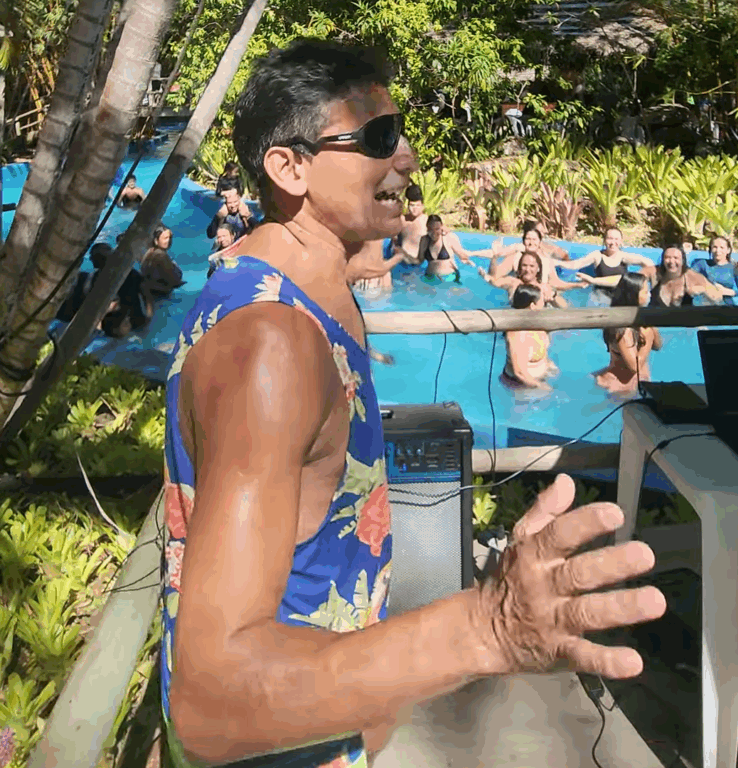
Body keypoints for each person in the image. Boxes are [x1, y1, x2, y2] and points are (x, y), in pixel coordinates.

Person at [161, 39, 664, 768]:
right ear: (289, 167)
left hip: (318, 724)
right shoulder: (272, 346)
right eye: (377, 139)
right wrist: (488, 628)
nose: (409, 157)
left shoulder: (308, 283)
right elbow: (212, 700)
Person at [594, 273, 661, 394]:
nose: (650, 295)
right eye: (645, 292)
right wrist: (648, 335)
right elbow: (634, 367)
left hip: (634, 385)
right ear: (633, 295)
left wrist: (650, 325)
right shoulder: (623, 329)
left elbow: (658, 346)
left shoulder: (641, 321)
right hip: (621, 387)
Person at [553, 227, 656, 298]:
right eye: (610, 238)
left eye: (616, 239)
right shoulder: (597, 256)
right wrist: (556, 262)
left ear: (621, 242)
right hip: (601, 295)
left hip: (620, 295)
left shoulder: (623, 257)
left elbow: (648, 263)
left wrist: (642, 282)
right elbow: (576, 264)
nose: (613, 242)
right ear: (604, 240)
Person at [482, 231, 586, 300]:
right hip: (518, 298)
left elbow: (556, 282)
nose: (531, 242)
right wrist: (494, 257)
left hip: (540, 299)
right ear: (523, 242)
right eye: (528, 239)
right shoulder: (514, 258)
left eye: (534, 239)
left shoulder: (546, 261)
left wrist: (576, 285)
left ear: (540, 242)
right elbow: (495, 276)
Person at [501, 283, 557, 389]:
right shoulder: (518, 334)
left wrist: (550, 366)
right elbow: (520, 373)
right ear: (532, 306)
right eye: (542, 302)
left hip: (539, 380)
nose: (544, 305)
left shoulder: (539, 325)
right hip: (522, 387)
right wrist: (543, 387)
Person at [643, 245, 723, 307]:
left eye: (676, 258)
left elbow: (718, 298)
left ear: (682, 260)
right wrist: (640, 261)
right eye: (667, 258)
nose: (671, 261)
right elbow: (632, 281)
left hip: (684, 324)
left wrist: (703, 291)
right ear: (663, 260)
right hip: (656, 324)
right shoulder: (654, 272)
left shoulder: (692, 276)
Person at [416, 214, 478, 282]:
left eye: (437, 229)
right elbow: (419, 260)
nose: (434, 233)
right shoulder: (424, 240)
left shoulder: (449, 238)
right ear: (427, 228)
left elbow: (461, 255)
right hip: (429, 278)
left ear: (441, 227)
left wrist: (466, 260)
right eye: (430, 229)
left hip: (449, 278)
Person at [689, 236, 738, 305]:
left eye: (722, 247)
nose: (718, 251)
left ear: (728, 250)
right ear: (710, 249)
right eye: (715, 247)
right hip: (706, 303)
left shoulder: (735, 267)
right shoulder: (702, 264)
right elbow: (688, 280)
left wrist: (725, 291)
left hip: (727, 304)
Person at [141, 225, 184, 298]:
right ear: (156, 240)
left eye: (170, 238)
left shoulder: (150, 251)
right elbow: (172, 278)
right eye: (165, 238)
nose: (168, 241)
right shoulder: (161, 256)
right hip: (160, 292)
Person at [394, 183, 428, 264]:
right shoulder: (402, 219)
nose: (414, 209)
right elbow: (394, 239)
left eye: (417, 206)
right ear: (408, 205)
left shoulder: (427, 222)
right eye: (412, 205)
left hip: (417, 264)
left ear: (423, 206)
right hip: (400, 263)